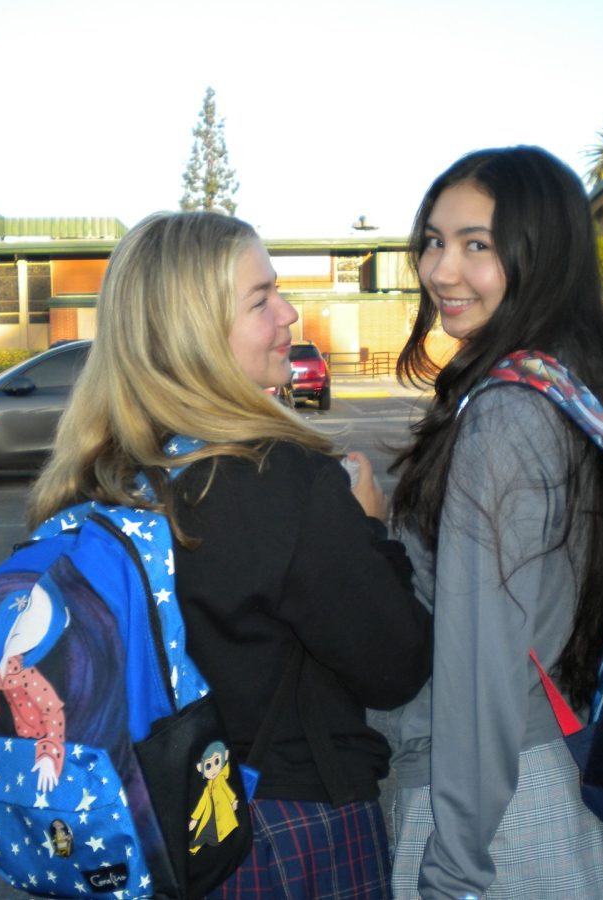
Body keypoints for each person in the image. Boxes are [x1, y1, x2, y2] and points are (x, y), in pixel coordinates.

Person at [27, 210, 432, 899]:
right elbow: (395, 665)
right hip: (281, 831)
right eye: (261, 298)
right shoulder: (276, 478)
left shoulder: (95, 476)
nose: (289, 312)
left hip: (146, 831)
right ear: (196, 333)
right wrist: (371, 530)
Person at [380, 147, 603, 898]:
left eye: (476, 245)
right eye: (433, 240)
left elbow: (480, 667)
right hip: (560, 766)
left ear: (540, 253)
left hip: (497, 814)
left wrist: (453, 868)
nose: (440, 271)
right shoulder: (580, 382)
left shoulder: (507, 416)